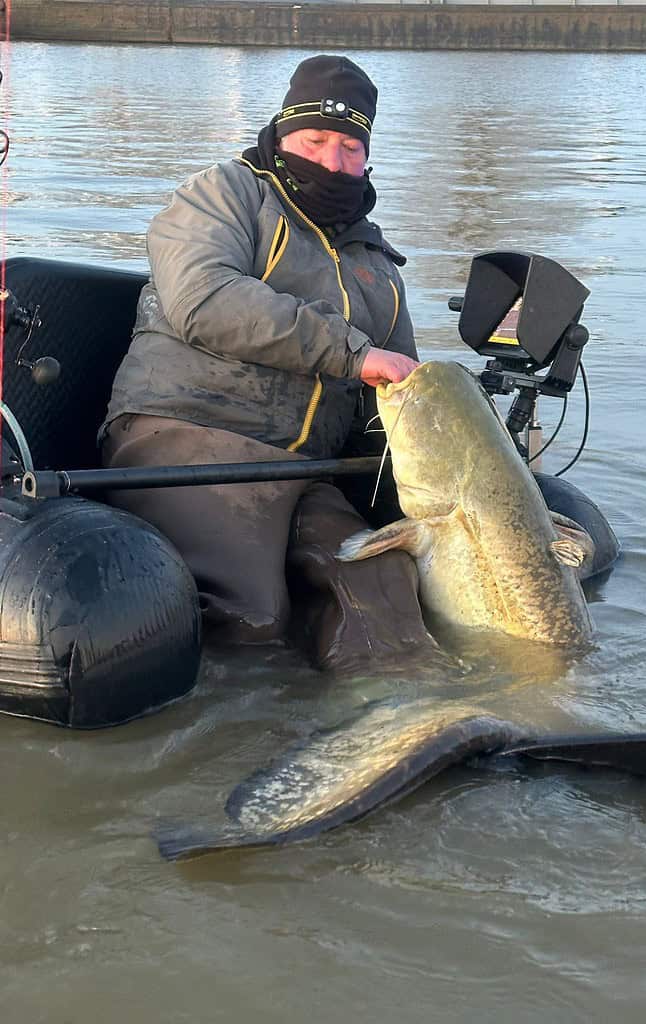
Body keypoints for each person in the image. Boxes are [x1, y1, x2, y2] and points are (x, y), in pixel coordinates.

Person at [99, 54, 436, 671]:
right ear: (282, 135)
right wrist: (354, 353)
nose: (333, 161)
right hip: (187, 432)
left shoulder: (378, 264)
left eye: (350, 146)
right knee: (252, 613)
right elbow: (204, 301)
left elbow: (397, 388)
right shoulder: (223, 193)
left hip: (309, 468)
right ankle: (239, 747)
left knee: (384, 592)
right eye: (316, 139)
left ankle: (404, 728)